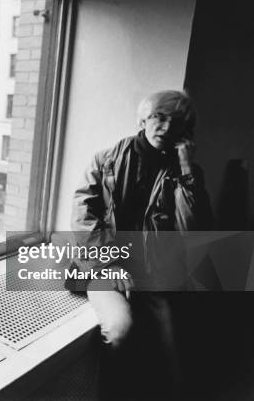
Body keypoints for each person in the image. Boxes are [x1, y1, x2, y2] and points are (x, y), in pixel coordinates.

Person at [71, 90, 213, 400]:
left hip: (155, 274)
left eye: (176, 122)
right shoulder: (106, 160)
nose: (165, 127)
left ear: (184, 132)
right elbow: (84, 219)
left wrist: (186, 172)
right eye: (159, 117)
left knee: (174, 349)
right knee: (121, 329)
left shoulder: (186, 173)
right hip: (104, 265)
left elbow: (193, 231)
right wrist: (110, 265)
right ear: (143, 119)